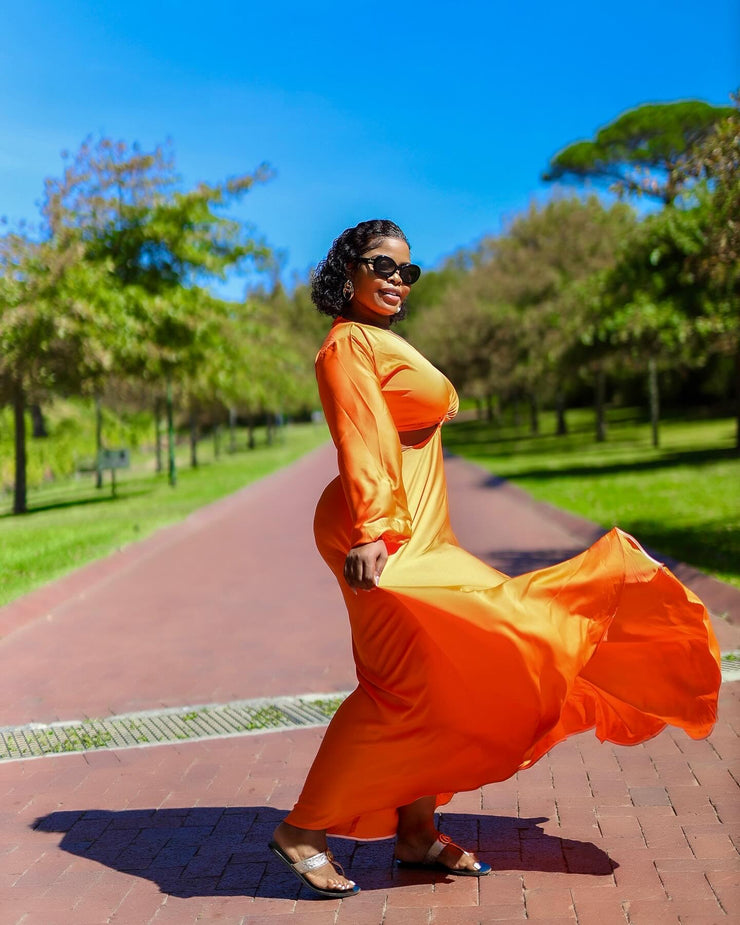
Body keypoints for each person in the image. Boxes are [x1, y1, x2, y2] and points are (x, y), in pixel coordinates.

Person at [268, 219, 721, 899]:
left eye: (407, 272)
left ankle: (416, 829)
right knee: (426, 672)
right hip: (384, 535)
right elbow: (359, 434)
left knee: (436, 678)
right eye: (383, 266)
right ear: (348, 269)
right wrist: (373, 530)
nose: (397, 281)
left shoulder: (380, 339)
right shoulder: (346, 346)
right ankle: (303, 829)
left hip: (415, 530)